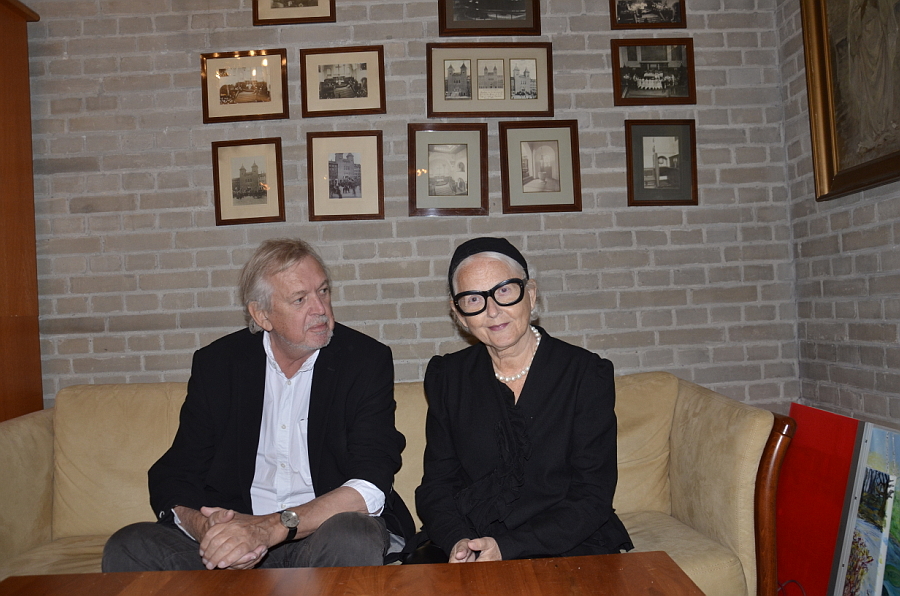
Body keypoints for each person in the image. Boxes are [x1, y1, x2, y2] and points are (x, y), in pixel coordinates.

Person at [102, 238, 414, 572]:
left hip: (321, 534)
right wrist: (208, 530)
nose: (320, 309)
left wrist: (269, 528)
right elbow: (176, 473)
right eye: (300, 299)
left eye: (323, 291)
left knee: (354, 534)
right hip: (239, 535)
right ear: (262, 315)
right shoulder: (218, 365)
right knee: (129, 545)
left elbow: (371, 482)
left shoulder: (364, 360)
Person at [415, 237, 632, 563]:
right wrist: (459, 541)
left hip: (565, 540)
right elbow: (437, 485)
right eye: (473, 299)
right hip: (473, 537)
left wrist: (507, 548)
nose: (492, 311)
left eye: (504, 291)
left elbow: (592, 495)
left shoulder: (585, 374)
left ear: (530, 294)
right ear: (459, 314)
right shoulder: (448, 378)